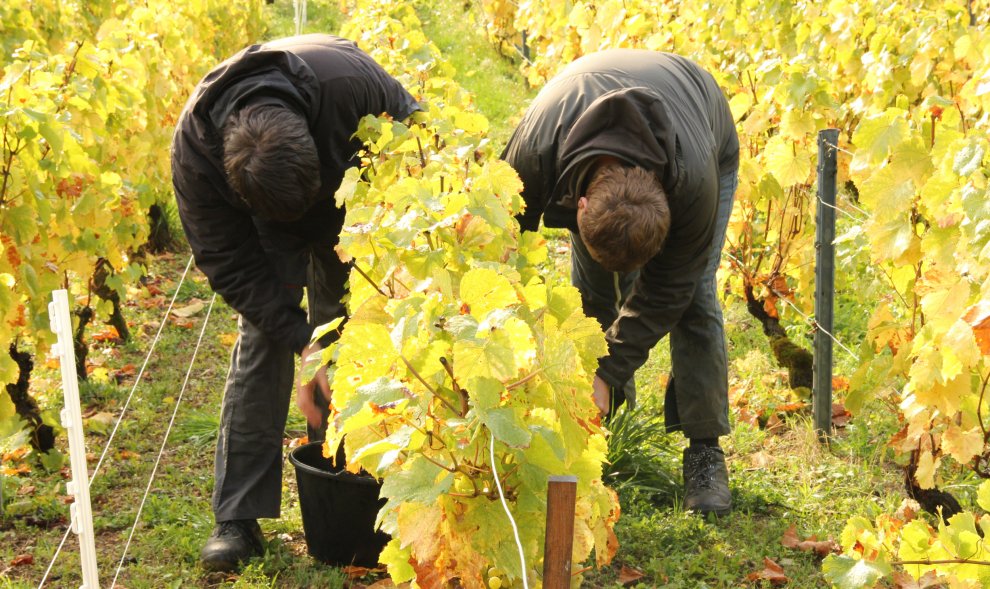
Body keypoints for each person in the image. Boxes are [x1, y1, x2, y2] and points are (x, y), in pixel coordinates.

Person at [170, 34, 418, 571]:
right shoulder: (195, 156)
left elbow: (419, 145)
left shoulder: (351, 86)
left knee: (353, 336)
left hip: (350, 205)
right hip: (263, 225)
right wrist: (303, 342)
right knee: (264, 340)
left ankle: (355, 478)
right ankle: (237, 518)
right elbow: (230, 265)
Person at [502, 49, 739, 516]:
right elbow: (497, 235)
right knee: (591, 295)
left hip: (704, 119)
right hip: (576, 103)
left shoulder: (694, 184)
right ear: (581, 206)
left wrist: (606, 370)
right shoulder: (534, 154)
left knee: (694, 299)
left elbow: (670, 288)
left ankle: (705, 451)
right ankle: (603, 427)